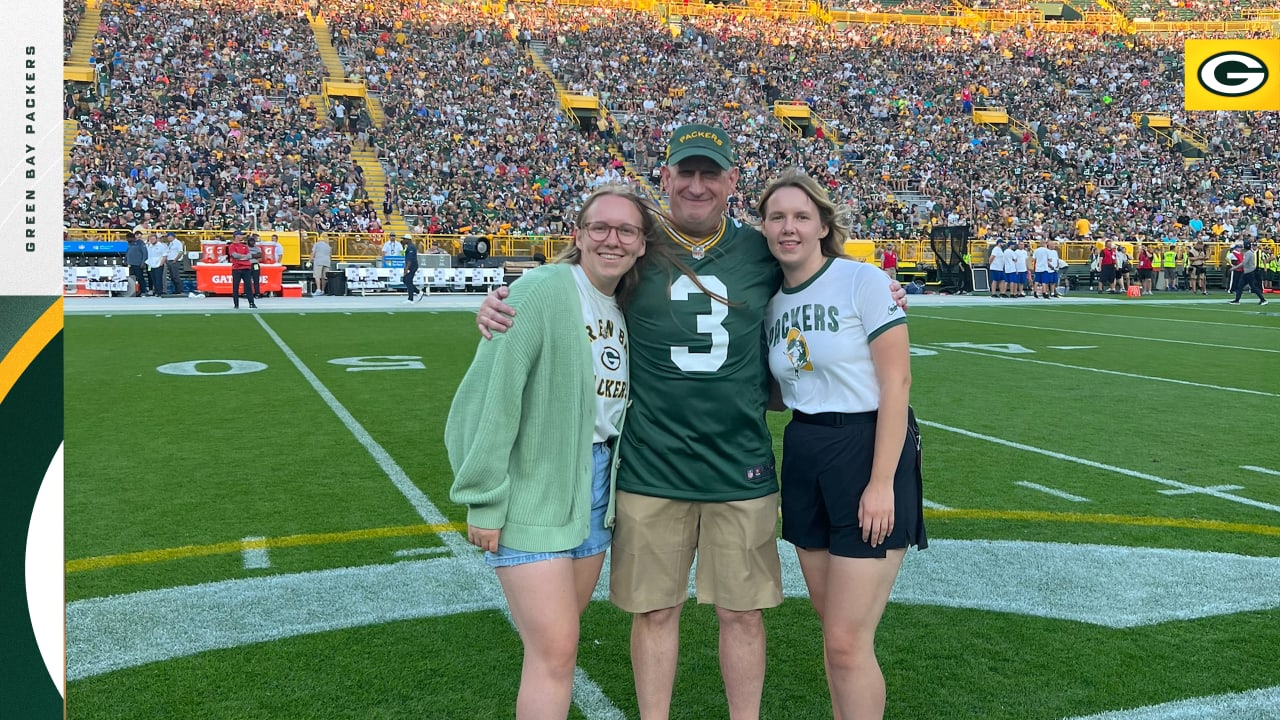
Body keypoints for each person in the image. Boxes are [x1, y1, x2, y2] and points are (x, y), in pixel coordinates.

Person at [476, 124, 907, 720]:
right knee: (655, 612)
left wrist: (882, 287)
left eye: (711, 173)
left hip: (741, 465)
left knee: (742, 614)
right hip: (652, 466)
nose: (697, 185)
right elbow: (579, 272)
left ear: (732, 181)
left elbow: (820, 274)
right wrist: (505, 300)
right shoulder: (638, 242)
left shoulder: (760, 249)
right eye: (686, 172)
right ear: (667, 178)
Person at [446, 186, 651, 720]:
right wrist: (485, 498)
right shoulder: (539, 290)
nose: (612, 239)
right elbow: (488, 400)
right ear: (578, 235)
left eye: (626, 230)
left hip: (596, 484)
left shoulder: (628, 304)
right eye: (600, 228)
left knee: (557, 646)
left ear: (642, 244)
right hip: (534, 485)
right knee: (555, 651)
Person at [758, 169, 925, 720]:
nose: (789, 227)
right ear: (762, 227)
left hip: (866, 445)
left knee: (849, 643)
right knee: (835, 639)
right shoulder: (770, 303)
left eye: (802, 216)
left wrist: (881, 483)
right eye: (777, 217)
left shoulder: (863, 281)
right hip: (805, 448)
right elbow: (786, 392)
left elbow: (896, 383)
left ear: (823, 225)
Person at [1228, 240, 1268, 305]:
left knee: (1253, 287)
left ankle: (1263, 299)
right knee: (1240, 286)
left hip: (1249, 273)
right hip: (1247, 272)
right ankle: (1237, 300)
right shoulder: (1249, 253)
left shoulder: (1248, 253)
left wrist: (1234, 268)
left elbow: (1244, 263)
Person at [228, 230, 257, 309]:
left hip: (246, 268)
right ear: (236, 236)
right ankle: (236, 304)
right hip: (237, 268)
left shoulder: (244, 246)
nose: (242, 236)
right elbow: (234, 255)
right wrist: (243, 257)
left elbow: (249, 255)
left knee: (248, 287)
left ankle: (251, 303)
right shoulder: (232, 246)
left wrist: (241, 257)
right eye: (240, 235)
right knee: (235, 287)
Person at [125, 228, 149, 298]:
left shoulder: (140, 243)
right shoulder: (129, 244)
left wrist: (142, 263)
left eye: (128, 238)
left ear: (132, 238)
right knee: (132, 279)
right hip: (130, 264)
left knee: (140, 278)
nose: (127, 240)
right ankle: (134, 291)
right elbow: (127, 253)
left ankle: (143, 291)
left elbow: (145, 253)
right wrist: (126, 260)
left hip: (138, 264)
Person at [163, 232, 185, 296]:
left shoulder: (177, 243)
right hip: (169, 260)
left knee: (175, 276)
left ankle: (180, 289)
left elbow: (181, 252)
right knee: (172, 276)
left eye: (169, 237)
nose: (168, 238)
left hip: (174, 261)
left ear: (172, 237)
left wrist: (176, 259)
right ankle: (176, 289)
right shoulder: (170, 244)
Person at [146, 232, 167, 297]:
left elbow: (164, 255)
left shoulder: (161, 246)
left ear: (156, 239)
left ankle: (159, 292)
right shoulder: (149, 246)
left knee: (158, 279)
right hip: (151, 264)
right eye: (151, 239)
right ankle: (156, 291)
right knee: (153, 279)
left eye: (153, 239)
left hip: (158, 264)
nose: (152, 240)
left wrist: (161, 263)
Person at [401, 233, 420, 304]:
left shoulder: (411, 247)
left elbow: (410, 259)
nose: (403, 240)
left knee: (408, 280)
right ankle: (418, 292)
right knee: (405, 280)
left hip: (412, 266)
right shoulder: (408, 246)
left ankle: (411, 298)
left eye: (404, 239)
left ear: (408, 240)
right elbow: (404, 254)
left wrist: (407, 268)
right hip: (410, 266)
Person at [247, 235, 264, 300]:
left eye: (253, 241)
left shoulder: (257, 248)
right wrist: (254, 256)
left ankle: (257, 293)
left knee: (256, 280)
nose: (252, 242)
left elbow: (260, 255)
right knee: (247, 280)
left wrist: (250, 255)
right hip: (247, 265)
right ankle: (248, 293)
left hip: (255, 265)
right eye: (250, 241)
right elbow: (245, 255)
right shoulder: (246, 248)